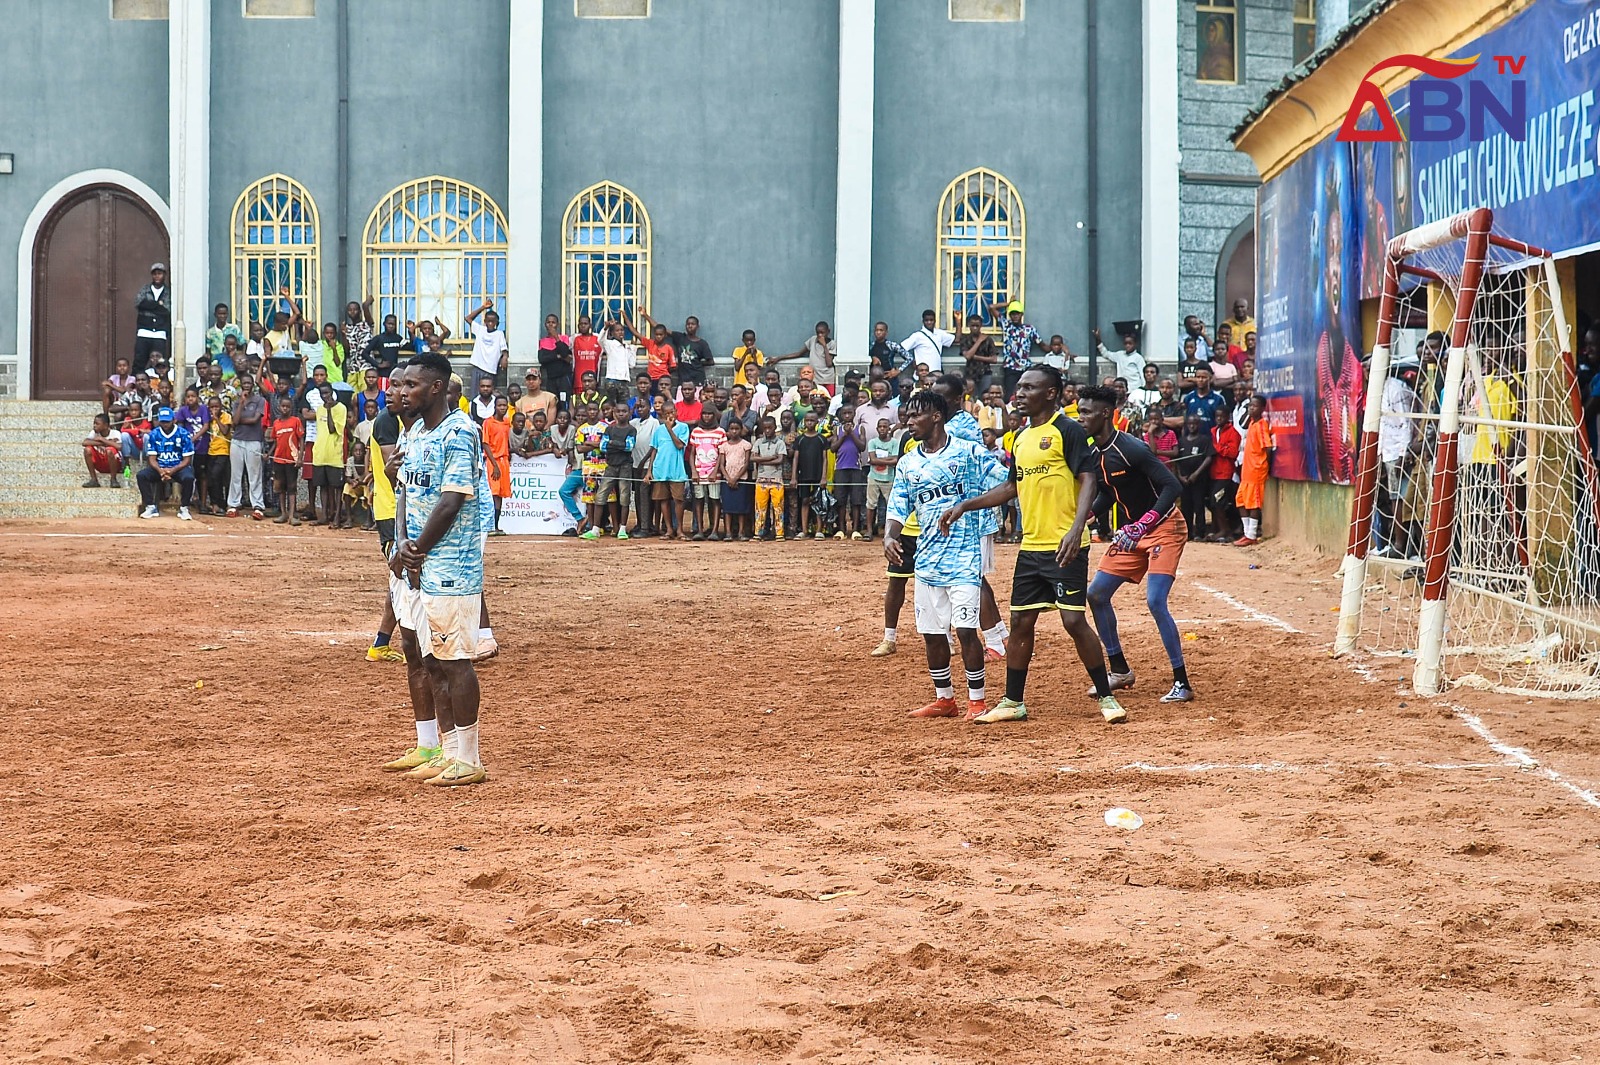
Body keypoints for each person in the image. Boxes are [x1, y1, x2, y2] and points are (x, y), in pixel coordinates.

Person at [939, 366, 1126, 724]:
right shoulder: (1021, 437)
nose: (1020, 394)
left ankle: (1107, 697)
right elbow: (1012, 486)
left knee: (1073, 620)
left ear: (1051, 393)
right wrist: (965, 505)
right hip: (1031, 547)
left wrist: (1076, 529)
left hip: (1065, 545)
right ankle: (1013, 702)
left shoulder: (1068, 430)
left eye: (1029, 388)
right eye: (1020, 388)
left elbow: (1089, 480)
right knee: (1021, 622)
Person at [386, 355, 490, 787]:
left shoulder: (460, 431)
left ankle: (469, 758)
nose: (402, 391)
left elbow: (451, 501)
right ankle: (446, 752)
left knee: (456, 662)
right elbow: (405, 493)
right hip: (418, 564)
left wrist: (419, 549)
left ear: (436, 388)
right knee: (430, 658)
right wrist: (401, 544)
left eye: (411, 384)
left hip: (451, 566)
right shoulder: (416, 433)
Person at [885, 390, 1008, 720]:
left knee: (966, 631)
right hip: (926, 560)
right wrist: (890, 536)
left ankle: (977, 702)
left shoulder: (968, 452)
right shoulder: (909, 462)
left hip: (964, 558)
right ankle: (945, 700)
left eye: (916, 415)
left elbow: (1009, 483)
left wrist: (968, 505)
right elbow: (898, 505)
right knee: (932, 634)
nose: (909, 421)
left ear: (936, 417)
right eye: (908, 415)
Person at [1076, 385, 1194, 706]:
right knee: (1096, 594)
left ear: (1105, 413)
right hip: (1133, 533)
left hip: (1164, 526)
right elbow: (1109, 492)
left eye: (1086, 412)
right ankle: (1120, 670)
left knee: (1155, 601)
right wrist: (1087, 515)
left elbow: (1172, 486)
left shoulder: (1132, 448)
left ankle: (1182, 682)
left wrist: (1144, 523)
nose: (1080, 417)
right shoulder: (1095, 453)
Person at [585, 403, 636, 540]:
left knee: (624, 497)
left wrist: (612, 443)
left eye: (624, 411)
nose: (621, 414)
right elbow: (603, 446)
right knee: (601, 495)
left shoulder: (631, 430)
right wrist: (619, 445)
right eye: (618, 411)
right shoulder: (609, 429)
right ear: (614, 413)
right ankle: (595, 529)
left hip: (625, 466)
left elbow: (629, 447)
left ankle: (622, 528)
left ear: (629, 413)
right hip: (611, 465)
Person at [136, 406, 196, 520]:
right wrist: (161, 471)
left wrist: (172, 470)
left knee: (189, 478)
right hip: (160, 468)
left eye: (167, 421)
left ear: (174, 420)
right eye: (162, 421)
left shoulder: (183, 433)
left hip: (178, 468)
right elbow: (152, 459)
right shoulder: (154, 434)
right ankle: (150, 507)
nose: (165, 424)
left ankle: (184, 508)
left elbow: (187, 460)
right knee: (141, 476)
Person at [646, 394, 690, 538]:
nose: (670, 416)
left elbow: (679, 445)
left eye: (672, 412)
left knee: (678, 500)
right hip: (660, 469)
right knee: (663, 500)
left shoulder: (683, 427)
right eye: (667, 414)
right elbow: (654, 450)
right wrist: (649, 471)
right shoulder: (659, 430)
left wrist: (670, 429)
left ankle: (680, 529)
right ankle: (669, 529)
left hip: (676, 470)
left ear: (676, 412)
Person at [1235, 395, 1275, 546]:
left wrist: (1266, 466)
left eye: (1255, 406)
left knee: (1253, 503)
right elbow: (1242, 424)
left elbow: (1268, 448)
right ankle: (1247, 532)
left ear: (1262, 409)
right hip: (1247, 470)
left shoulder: (1262, 425)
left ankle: (1251, 535)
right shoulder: (1252, 422)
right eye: (1250, 406)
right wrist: (1248, 413)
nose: (1251, 408)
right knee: (1240, 500)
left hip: (1257, 469)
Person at [988, 299, 1045, 398]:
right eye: (1012, 314)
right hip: (1011, 368)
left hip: (1025, 368)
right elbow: (992, 307)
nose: (1015, 316)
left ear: (1021, 314)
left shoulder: (1029, 329)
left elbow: (1042, 345)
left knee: (1027, 395)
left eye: (1017, 314)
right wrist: (1008, 303)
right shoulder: (1006, 325)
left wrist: (1061, 348)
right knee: (1010, 396)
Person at [228, 375, 268, 519]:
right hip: (237, 441)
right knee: (235, 474)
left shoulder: (260, 400)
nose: (246, 385)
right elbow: (234, 422)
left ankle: (257, 506)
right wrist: (241, 403)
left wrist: (239, 421)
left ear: (253, 385)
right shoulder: (236, 402)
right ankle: (233, 504)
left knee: (254, 475)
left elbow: (254, 419)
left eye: (249, 383)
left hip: (254, 440)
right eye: (244, 383)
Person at [1172, 413, 1214, 539]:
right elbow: (1176, 461)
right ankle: (1188, 533)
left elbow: (1209, 458)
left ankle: (1200, 533)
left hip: (1199, 479)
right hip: (1184, 481)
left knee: (1199, 506)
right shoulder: (1181, 441)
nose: (1192, 426)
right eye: (1189, 424)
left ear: (1199, 425)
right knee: (1186, 507)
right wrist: (1180, 476)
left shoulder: (1204, 440)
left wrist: (1196, 474)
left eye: (1194, 424)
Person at [643, 311, 713, 386]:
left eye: (693, 324)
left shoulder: (702, 343)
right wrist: (645, 315)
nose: (690, 326)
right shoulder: (680, 338)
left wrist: (697, 363)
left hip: (698, 379)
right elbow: (660, 328)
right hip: (683, 381)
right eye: (688, 324)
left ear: (697, 326)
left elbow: (711, 361)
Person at [687, 406, 726, 540]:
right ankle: (699, 530)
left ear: (714, 415)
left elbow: (721, 454)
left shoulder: (720, 432)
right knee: (699, 500)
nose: (707, 416)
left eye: (710, 414)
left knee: (715, 500)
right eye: (704, 414)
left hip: (714, 474)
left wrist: (715, 471)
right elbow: (692, 453)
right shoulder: (696, 432)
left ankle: (714, 530)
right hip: (699, 473)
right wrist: (693, 471)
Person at [267, 394, 306, 526]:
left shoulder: (296, 421)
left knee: (292, 487)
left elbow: (301, 439)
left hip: (291, 460)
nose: (285, 409)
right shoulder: (276, 423)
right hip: (278, 460)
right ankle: (283, 513)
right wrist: (269, 454)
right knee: (280, 487)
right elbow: (275, 442)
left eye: (287, 407)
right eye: (283, 406)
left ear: (291, 408)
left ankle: (291, 515)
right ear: (279, 407)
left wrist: (300, 457)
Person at [716, 418, 754, 541]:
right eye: (731, 429)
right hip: (727, 481)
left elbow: (746, 463)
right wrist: (728, 478)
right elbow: (722, 464)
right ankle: (728, 532)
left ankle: (741, 532)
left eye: (737, 429)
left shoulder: (746, 445)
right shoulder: (724, 446)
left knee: (741, 507)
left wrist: (736, 478)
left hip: (741, 480)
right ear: (728, 430)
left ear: (741, 430)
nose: (734, 431)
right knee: (727, 508)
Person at [752, 416, 788, 540]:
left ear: (775, 428)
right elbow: (753, 458)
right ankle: (758, 532)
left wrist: (761, 460)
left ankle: (779, 533)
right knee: (760, 508)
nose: (767, 430)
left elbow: (780, 460)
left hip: (776, 480)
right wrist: (770, 458)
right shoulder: (758, 442)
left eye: (770, 428)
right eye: (765, 428)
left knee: (778, 508)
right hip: (761, 479)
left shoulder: (780, 442)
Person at [132, 263, 170, 375]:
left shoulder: (168, 292)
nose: (157, 276)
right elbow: (139, 303)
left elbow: (166, 310)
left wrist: (149, 305)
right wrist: (158, 305)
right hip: (144, 332)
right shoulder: (145, 289)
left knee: (159, 363)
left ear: (164, 275)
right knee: (139, 362)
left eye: (160, 273)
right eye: (155, 274)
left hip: (160, 333)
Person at [482, 395, 512, 534]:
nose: (502, 408)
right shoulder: (488, 422)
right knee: (493, 493)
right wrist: (494, 465)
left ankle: (496, 525)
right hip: (493, 461)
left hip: (504, 461)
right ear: (495, 407)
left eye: (504, 405)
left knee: (500, 494)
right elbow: (485, 443)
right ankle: (490, 525)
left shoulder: (507, 423)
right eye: (500, 405)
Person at [464, 298, 508, 392]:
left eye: (493, 321)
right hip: (478, 367)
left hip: (490, 370)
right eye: (488, 321)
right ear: (485, 321)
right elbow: (468, 318)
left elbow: (504, 350)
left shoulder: (499, 334)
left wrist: (504, 358)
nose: (490, 323)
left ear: (496, 322)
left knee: (488, 393)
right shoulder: (480, 330)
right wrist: (483, 307)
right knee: (475, 393)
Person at [537, 313, 575, 407]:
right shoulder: (542, 341)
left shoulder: (564, 338)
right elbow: (542, 359)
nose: (550, 325)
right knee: (552, 403)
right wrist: (557, 356)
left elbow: (565, 353)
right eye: (548, 322)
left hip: (564, 377)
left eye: (553, 322)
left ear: (557, 324)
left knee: (564, 402)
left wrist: (556, 338)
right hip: (551, 378)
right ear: (545, 324)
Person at [957, 314, 998, 396]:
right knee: (970, 396)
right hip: (970, 373)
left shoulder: (988, 339)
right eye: (973, 326)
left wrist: (976, 357)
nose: (975, 328)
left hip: (985, 373)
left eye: (977, 326)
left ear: (981, 326)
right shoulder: (965, 339)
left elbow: (994, 359)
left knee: (985, 396)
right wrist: (979, 341)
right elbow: (968, 356)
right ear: (969, 325)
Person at [81, 413, 125, 488]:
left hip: (114, 464)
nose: (94, 426)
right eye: (94, 423)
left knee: (110, 450)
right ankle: (94, 480)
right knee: (87, 450)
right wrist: (107, 443)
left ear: (105, 425)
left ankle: (113, 479)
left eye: (97, 424)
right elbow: (84, 443)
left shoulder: (115, 433)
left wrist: (102, 439)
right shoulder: (94, 433)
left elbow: (119, 446)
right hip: (100, 463)